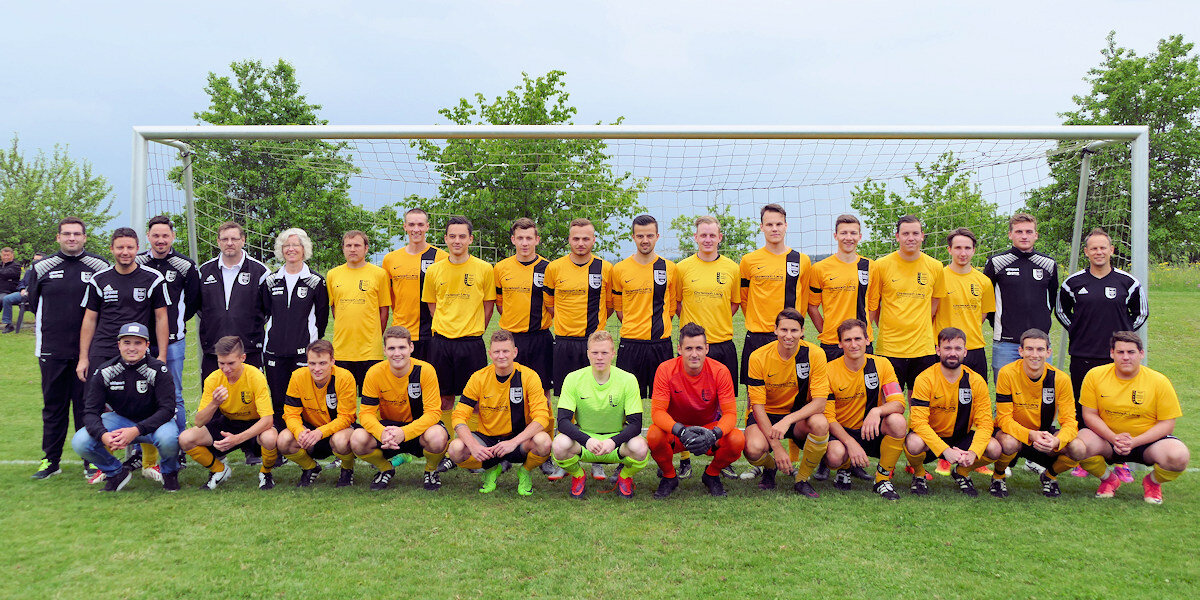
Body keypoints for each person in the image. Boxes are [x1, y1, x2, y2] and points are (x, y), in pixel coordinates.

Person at [77, 228, 171, 481]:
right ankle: (104, 465)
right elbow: (89, 318)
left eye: (130, 247)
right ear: (112, 249)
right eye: (120, 247)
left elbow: (162, 317)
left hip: (138, 349)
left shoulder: (151, 278)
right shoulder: (99, 279)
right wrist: (84, 357)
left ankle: (149, 461)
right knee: (98, 407)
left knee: (147, 402)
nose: (125, 252)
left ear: (137, 248)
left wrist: (161, 354)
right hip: (103, 349)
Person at [1057, 228, 1149, 481]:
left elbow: (1141, 313)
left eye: (1103, 247)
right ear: (1086, 252)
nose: (1098, 252)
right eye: (1093, 248)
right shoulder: (1073, 283)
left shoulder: (1128, 283)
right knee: (1082, 407)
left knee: (1118, 408)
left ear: (1111, 250)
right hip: (1083, 355)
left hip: (1116, 358)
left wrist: (1124, 337)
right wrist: (1078, 330)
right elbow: (1061, 312)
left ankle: (1121, 460)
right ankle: (1085, 456)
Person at [27, 217, 109, 480]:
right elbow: (33, 305)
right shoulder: (41, 268)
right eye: (67, 234)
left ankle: (91, 460)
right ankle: (50, 460)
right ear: (58, 237)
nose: (72, 238)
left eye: (77, 234)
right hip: (53, 351)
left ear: (85, 237)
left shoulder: (99, 266)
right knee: (53, 407)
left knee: (88, 408)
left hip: (89, 353)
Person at [1067, 331, 1190, 504]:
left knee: (1179, 456)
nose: (1126, 357)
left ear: (1141, 354)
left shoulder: (1159, 381)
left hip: (1147, 443)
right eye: (1120, 352)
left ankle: (1152, 483)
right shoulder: (1095, 376)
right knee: (1077, 446)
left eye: (1131, 352)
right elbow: (1089, 415)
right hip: (1108, 440)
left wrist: (1134, 442)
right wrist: (1113, 438)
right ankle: (1109, 480)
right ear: (1112, 353)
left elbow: (1167, 424)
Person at [493, 218, 564, 481]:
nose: (524, 243)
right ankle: (502, 453)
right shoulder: (500, 268)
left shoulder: (548, 268)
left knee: (542, 397)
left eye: (529, 238)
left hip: (540, 339)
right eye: (519, 238)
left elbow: (552, 304)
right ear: (512, 240)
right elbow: (500, 303)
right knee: (501, 396)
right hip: (511, 339)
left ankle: (543, 455)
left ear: (537, 240)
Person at [70, 322, 179, 492]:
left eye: (138, 343)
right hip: (120, 420)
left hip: (153, 423)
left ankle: (169, 474)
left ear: (147, 345)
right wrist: (103, 435)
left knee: (169, 439)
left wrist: (136, 430)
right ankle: (115, 473)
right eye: (127, 342)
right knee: (80, 441)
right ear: (119, 344)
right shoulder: (105, 371)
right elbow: (91, 411)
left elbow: (167, 410)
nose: (132, 348)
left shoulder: (159, 370)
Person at [444, 330, 552, 496]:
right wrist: (473, 446)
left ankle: (525, 471)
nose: (501, 356)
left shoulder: (529, 377)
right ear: (490, 354)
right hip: (488, 440)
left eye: (506, 351)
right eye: (497, 352)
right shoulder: (478, 378)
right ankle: (490, 468)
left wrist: (514, 442)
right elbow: (459, 416)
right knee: (455, 449)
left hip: (519, 439)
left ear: (515, 352)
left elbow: (542, 418)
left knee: (543, 442)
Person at [647, 323, 745, 499]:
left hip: (707, 430)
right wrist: (681, 430)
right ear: (679, 349)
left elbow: (730, 414)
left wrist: (714, 434)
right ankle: (669, 477)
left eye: (699, 348)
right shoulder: (665, 369)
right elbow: (657, 412)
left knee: (737, 439)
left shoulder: (720, 371)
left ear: (707, 348)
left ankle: (712, 474)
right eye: (689, 348)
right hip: (677, 432)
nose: (694, 354)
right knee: (653, 435)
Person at [136, 215, 201, 474]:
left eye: (165, 235)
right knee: (139, 394)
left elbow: (193, 303)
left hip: (173, 342)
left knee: (173, 394)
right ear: (148, 237)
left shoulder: (185, 265)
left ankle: (178, 449)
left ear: (173, 237)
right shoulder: (138, 262)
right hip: (139, 343)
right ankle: (141, 450)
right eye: (155, 235)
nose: (160, 240)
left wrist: (173, 323)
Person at [551, 330, 650, 499]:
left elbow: (635, 424)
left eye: (604, 353)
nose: (599, 357)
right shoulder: (573, 378)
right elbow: (563, 421)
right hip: (586, 441)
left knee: (640, 448)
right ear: (588, 353)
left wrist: (614, 442)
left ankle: (624, 477)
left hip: (616, 442)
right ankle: (578, 475)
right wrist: (586, 440)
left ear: (613, 353)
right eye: (595, 353)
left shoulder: (628, 380)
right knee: (559, 445)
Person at [743, 309, 830, 498]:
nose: (788, 336)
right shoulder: (758, 357)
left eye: (794, 330)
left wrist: (788, 420)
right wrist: (777, 447)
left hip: (798, 416)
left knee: (821, 423)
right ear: (775, 330)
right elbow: (757, 406)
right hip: (767, 414)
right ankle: (771, 467)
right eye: (783, 330)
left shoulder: (815, 354)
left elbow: (820, 403)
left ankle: (802, 479)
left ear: (802, 331)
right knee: (753, 449)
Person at [930, 227, 996, 478]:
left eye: (967, 248)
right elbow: (932, 312)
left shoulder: (983, 281)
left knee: (974, 404)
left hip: (973, 349)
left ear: (974, 251)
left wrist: (965, 343)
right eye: (957, 247)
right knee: (944, 403)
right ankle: (944, 455)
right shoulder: (939, 276)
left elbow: (981, 315)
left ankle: (974, 453)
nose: (962, 252)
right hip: (945, 351)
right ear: (949, 250)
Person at [903, 327, 999, 497]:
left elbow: (985, 423)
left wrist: (974, 452)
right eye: (947, 348)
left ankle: (962, 471)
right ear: (938, 350)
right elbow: (918, 422)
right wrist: (945, 450)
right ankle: (919, 474)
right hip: (932, 438)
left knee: (994, 448)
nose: (952, 353)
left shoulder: (976, 381)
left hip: (962, 436)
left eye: (957, 348)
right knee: (913, 443)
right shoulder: (925, 379)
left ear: (965, 351)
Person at [351, 326, 448, 491]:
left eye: (402, 347)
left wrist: (404, 433)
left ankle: (431, 471)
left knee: (438, 436)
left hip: (417, 429)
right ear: (384, 350)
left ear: (411, 347)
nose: (397, 353)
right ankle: (385, 468)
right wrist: (381, 432)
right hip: (388, 432)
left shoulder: (425, 370)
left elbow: (433, 413)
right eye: (392, 348)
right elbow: (366, 413)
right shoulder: (374, 373)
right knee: (357, 439)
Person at [822, 319, 908, 501]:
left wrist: (876, 411)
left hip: (871, 430)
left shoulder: (882, 365)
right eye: (847, 340)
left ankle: (882, 479)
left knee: (898, 421)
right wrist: (850, 443)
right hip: (842, 433)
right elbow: (828, 417)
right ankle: (844, 468)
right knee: (835, 455)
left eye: (858, 339)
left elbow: (899, 403)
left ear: (867, 340)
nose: (854, 344)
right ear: (839, 343)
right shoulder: (828, 371)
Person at [179, 336, 278, 490]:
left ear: (242, 358)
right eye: (221, 363)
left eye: (231, 363)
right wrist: (214, 403)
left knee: (270, 437)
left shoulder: (255, 376)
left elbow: (267, 420)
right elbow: (199, 422)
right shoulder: (213, 379)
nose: (226, 369)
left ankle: (266, 473)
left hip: (254, 424)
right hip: (229, 423)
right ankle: (219, 470)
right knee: (186, 438)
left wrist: (236, 439)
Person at [992, 329, 1080, 498]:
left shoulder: (1060, 379)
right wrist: (1030, 435)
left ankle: (1049, 476)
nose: (1035, 355)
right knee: (1008, 443)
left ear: (1048, 352)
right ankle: (998, 476)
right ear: (1021, 351)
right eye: (1029, 349)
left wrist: (1056, 440)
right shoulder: (1007, 373)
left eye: (1040, 349)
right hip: (1015, 435)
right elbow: (1003, 418)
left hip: (1044, 437)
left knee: (1078, 448)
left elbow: (1070, 421)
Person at [422, 216, 495, 420]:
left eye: (462, 236)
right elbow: (431, 304)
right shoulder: (434, 270)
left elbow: (488, 306)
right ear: (445, 238)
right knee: (443, 399)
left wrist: (473, 327)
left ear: (471, 239)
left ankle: (472, 447)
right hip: (441, 342)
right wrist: (446, 325)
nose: (457, 241)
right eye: (452, 236)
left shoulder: (484, 269)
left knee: (474, 400)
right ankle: (446, 445)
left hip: (471, 343)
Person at [867, 215, 946, 395]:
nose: (911, 238)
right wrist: (887, 323)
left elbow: (936, 299)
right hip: (890, 348)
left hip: (923, 348)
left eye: (915, 233)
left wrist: (922, 320)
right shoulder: (881, 265)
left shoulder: (935, 266)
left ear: (922, 236)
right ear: (897, 237)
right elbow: (874, 303)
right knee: (890, 404)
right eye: (905, 233)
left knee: (919, 403)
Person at [260, 228, 328, 429]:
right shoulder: (271, 280)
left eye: (295, 245)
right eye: (287, 245)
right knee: (278, 399)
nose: (291, 249)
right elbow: (264, 313)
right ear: (281, 250)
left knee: (304, 399)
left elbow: (321, 319)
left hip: (304, 352)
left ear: (304, 249)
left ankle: (307, 442)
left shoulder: (316, 281)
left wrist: (310, 344)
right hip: (274, 351)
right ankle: (281, 443)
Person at [739, 204, 812, 385]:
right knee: (754, 391)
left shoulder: (801, 260)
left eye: (779, 224)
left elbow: (803, 298)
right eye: (769, 224)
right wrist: (759, 321)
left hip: (789, 335)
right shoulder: (748, 260)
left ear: (786, 226)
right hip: (758, 336)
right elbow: (744, 297)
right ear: (761, 227)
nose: (774, 229)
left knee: (792, 386)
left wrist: (795, 328)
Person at [983, 213, 1058, 380]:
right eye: (1019, 231)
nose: (1024, 236)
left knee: (1040, 394)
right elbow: (986, 299)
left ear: (1036, 235)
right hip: (1006, 342)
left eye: (1029, 232)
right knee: (1005, 393)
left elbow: (1051, 300)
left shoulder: (1048, 264)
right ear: (1010, 234)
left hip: (1039, 344)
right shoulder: (996, 263)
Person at [545, 218, 612, 396]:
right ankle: (566, 425)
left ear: (593, 240)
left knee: (596, 394)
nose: (580, 243)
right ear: (569, 239)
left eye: (585, 239)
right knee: (567, 394)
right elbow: (550, 303)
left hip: (594, 344)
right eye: (576, 239)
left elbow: (610, 305)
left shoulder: (605, 268)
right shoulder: (554, 268)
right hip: (564, 342)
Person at [278, 339, 359, 488]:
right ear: (307, 362)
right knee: (283, 440)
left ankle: (347, 469)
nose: (317, 368)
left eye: (322, 363)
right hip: (311, 430)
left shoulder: (345, 378)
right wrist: (299, 432)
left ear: (332, 361)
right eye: (312, 363)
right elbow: (290, 414)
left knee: (341, 441)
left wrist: (320, 433)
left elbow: (346, 417)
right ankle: (310, 467)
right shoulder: (297, 377)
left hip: (338, 430)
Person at [196, 221, 270, 380]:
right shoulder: (204, 271)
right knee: (214, 399)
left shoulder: (260, 271)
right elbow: (200, 308)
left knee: (249, 400)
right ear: (218, 241)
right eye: (224, 239)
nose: (229, 243)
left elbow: (267, 311)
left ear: (243, 240)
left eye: (234, 239)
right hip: (214, 350)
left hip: (249, 349)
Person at [326, 230, 389, 394]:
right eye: (348, 246)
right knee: (343, 399)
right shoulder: (333, 275)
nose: (352, 249)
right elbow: (335, 308)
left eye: (357, 245)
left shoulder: (379, 274)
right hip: (342, 351)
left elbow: (384, 310)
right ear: (343, 249)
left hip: (370, 351)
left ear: (366, 248)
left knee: (372, 399)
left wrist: (375, 335)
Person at [807, 215, 875, 362]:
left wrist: (865, 332)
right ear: (835, 236)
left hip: (862, 342)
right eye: (844, 233)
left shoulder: (870, 266)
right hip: (832, 343)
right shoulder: (819, 268)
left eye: (853, 233)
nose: (848, 237)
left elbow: (873, 306)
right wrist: (826, 331)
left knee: (863, 385)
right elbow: (812, 306)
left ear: (860, 236)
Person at [382, 208, 446, 361]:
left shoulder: (441, 257)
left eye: (420, 225)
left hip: (433, 332)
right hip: (401, 333)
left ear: (427, 227)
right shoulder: (390, 259)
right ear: (405, 227)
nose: (416, 229)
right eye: (411, 225)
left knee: (430, 379)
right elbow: (389, 297)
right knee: (402, 381)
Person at [5, 251, 45, 333]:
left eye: (37, 260)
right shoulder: (29, 271)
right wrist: (22, 289)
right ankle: (8, 324)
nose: (35, 262)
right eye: (34, 260)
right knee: (7, 299)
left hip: (36, 295)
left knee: (38, 303)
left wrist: (32, 292)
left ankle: (39, 325)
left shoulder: (45, 273)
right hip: (24, 293)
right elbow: (21, 282)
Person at [0, 247, 21, 333]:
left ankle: (7, 323)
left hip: (8, 291)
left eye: (8, 255)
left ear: (12, 255)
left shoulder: (16, 266)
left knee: (1, 299)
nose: (6, 257)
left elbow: (7, 274)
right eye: (4, 255)